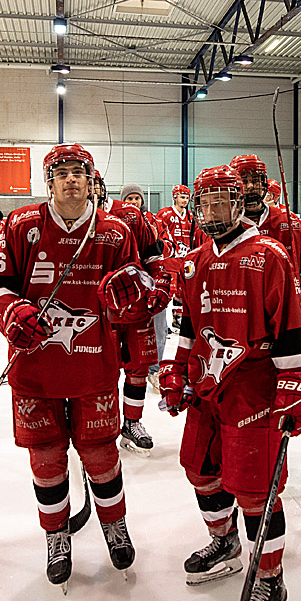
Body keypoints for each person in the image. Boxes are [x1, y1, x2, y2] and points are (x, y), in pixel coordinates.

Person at [159, 165, 301, 601]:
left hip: (254, 385)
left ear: (238, 201)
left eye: (221, 201)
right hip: (207, 381)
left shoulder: (268, 255)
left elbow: (293, 327)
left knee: (254, 488)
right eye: (204, 203)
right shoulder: (195, 261)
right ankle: (224, 541)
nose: (212, 211)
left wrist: (298, 384)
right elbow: (187, 324)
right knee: (198, 467)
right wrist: (174, 367)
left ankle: (270, 579)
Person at [0, 143, 151, 592]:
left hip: (93, 364)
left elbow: (138, 283)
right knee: (45, 459)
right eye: (61, 173)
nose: (71, 179)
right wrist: (11, 313)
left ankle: (115, 525)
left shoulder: (115, 231)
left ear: (91, 179)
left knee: (101, 455)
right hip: (34, 367)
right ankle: (56, 536)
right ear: (50, 182)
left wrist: (137, 298)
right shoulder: (21, 225)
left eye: (79, 171)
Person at [112, 182, 171, 453]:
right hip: (103, 307)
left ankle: (132, 423)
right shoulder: (92, 219)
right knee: (104, 370)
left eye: (137, 197)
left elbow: (154, 254)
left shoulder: (140, 219)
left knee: (137, 367)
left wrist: (161, 282)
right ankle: (103, 425)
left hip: (137, 303)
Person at [229, 154, 301, 317]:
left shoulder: (290, 221)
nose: (250, 186)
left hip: (285, 312)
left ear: (264, 183)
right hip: (239, 313)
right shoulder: (224, 227)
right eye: (244, 181)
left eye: (256, 180)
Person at [155, 184, 195, 354]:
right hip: (169, 262)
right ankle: (165, 326)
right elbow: (159, 235)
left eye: (187, 197)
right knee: (167, 295)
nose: (185, 200)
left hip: (185, 262)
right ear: (175, 197)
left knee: (184, 295)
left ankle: (178, 322)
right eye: (182, 197)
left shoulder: (191, 216)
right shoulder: (165, 214)